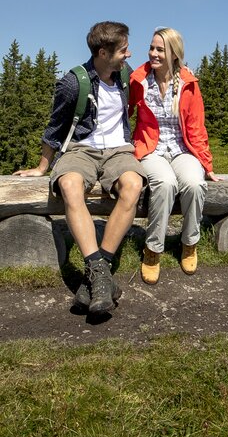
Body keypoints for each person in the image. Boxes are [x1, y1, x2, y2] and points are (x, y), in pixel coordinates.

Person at [14, 21, 147, 313]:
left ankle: (100, 269)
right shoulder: (74, 82)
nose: (128, 54)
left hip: (119, 150)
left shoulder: (124, 74)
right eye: (123, 50)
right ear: (103, 52)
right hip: (81, 149)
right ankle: (100, 273)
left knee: (134, 185)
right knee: (70, 185)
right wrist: (41, 167)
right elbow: (56, 126)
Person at [129, 27, 219, 284]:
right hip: (150, 149)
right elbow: (125, 113)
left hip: (182, 149)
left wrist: (206, 163)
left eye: (160, 49)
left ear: (174, 54)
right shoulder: (139, 80)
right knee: (165, 184)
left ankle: (189, 243)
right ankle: (153, 249)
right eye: (152, 48)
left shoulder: (188, 84)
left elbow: (196, 126)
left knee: (193, 183)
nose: (153, 54)